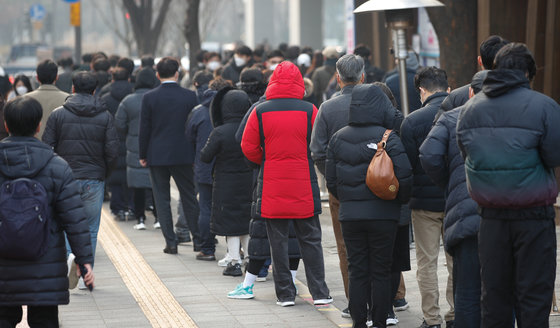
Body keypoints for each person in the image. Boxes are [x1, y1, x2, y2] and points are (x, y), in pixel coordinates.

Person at [457, 43, 560, 327]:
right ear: (528, 73)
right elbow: (554, 155)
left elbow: (468, 155)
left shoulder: (470, 109)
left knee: (494, 298)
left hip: (490, 217)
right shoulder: (545, 106)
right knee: (534, 297)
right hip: (535, 217)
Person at [241, 61, 331, 307]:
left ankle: (285, 294)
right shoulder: (309, 110)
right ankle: (320, 293)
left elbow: (248, 146)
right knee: (311, 239)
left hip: (272, 185)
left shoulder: (260, 111)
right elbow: (318, 144)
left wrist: (266, 159)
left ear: (272, 82)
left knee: (277, 241)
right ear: (299, 83)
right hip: (304, 183)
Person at [0, 97, 94, 327]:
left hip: (3, 265)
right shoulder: (57, 166)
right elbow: (74, 218)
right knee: (44, 321)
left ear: (6, 125)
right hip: (45, 264)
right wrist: (84, 260)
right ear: (39, 125)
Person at [326, 83, 412, 328]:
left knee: (357, 270)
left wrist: (349, 199)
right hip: (384, 216)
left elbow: (331, 181)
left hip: (350, 216)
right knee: (381, 270)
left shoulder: (338, 138)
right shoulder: (389, 138)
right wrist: (398, 200)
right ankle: (380, 321)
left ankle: (359, 323)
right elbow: (405, 177)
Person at [420, 70, 488, 328]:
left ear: (470, 93)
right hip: (507, 215)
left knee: (465, 289)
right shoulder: (519, 116)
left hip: (462, 211)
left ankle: (439, 318)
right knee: (504, 288)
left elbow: (428, 156)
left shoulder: (451, 119)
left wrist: (449, 183)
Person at [42, 71, 119, 285]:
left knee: (66, 225)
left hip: (65, 179)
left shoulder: (58, 114)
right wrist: (104, 174)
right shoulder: (105, 116)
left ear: (73, 88)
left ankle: (67, 267)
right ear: (94, 90)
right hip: (94, 178)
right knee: (91, 228)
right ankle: (87, 273)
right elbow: (112, 152)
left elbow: (48, 147)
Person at [399, 66, 453, 328]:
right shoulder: (460, 114)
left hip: (423, 204)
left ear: (422, 90)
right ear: (447, 87)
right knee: (456, 261)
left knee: (427, 263)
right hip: (455, 200)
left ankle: (431, 319)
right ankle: (456, 314)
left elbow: (407, 165)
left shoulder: (412, 121)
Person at [138, 57, 201, 255]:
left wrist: (142, 153)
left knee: (162, 198)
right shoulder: (190, 96)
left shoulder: (149, 97)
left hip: (156, 154)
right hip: (184, 154)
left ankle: (171, 243)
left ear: (157, 74)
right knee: (189, 197)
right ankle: (199, 241)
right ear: (177, 73)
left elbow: (144, 128)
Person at [200, 88, 253, 275]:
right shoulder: (250, 127)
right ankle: (249, 259)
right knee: (247, 220)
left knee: (230, 223)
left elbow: (205, 156)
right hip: (249, 180)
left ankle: (234, 261)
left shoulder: (220, 132)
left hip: (225, 183)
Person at [115, 68, 160, 230]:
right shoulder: (157, 98)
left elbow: (119, 124)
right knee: (156, 183)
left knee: (137, 186)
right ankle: (158, 218)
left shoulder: (128, 101)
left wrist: (130, 131)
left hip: (134, 146)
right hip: (156, 145)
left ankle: (140, 218)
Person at [187, 78, 222, 261]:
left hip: (204, 166)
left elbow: (189, 137)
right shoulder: (230, 111)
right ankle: (239, 250)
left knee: (205, 207)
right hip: (228, 168)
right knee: (234, 207)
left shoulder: (198, 112)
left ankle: (207, 249)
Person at [102, 67, 134, 221]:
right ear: (129, 79)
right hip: (130, 140)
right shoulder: (133, 97)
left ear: (112, 79)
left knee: (115, 176)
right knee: (130, 175)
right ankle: (131, 206)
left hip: (111, 140)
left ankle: (117, 207)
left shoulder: (105, 98)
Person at [25, 59, 69, 138]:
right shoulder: (68, 99)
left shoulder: (24, 100)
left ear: (37, 78)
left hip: (31, 147)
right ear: (56, 77)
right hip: (58, 148)